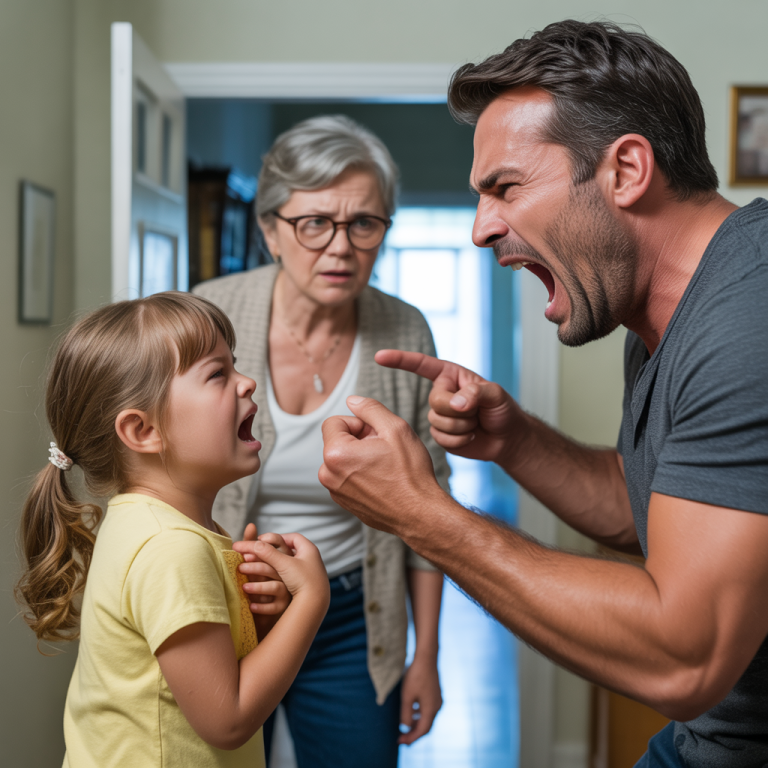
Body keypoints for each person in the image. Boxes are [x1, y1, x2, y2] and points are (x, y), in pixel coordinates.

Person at [318, 20, 768, 768]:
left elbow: (683, 658)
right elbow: (651, 509)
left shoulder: (746, 322)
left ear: (625, 170)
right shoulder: (663, 312)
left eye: (505, 188)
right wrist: (514, 442)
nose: (481, 229)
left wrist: (422, 514)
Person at [194, 115, 448, 767]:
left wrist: (427, 656)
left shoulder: (405, 331)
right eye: (315, 223)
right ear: (272, 230)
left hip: (352, 617)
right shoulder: (209, 315)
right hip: (222, 603)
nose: (341, 247)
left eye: (364, 223)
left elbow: (429, 508)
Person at [15, 292, 330, 768]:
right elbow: (226, 721)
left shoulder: (153, 524)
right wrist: (312, 601)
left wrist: (259, 626)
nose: (247, 383)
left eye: (236, 364)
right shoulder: (170, 549)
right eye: (217, 374)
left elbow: (195, 679)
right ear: (143, 431)